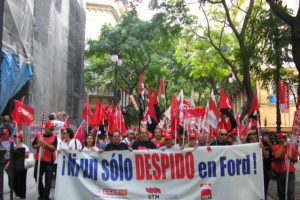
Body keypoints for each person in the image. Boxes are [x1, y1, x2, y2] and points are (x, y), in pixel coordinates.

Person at [32, 121, 57, 200]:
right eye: (50, 128)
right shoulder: (39, 135)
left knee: (48, 181)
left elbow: (54, 148)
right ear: (46, 127)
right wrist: (38, 145)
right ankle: (42, 193)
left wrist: (45, 144)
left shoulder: (54, 137)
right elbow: (33, 145)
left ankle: (45, 197)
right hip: (39, 160)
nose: (51, 130)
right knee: (37, 177)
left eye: (52, 129)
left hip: (49, 161)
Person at [271, 133, 298, 200]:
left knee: (290, 191)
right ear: (279, 139)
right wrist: (283, 146)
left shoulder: (291, 147)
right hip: (281, 173)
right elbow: (276, 156)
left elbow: (296, 159)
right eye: (282, 137)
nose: (285, 139)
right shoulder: (276, 147)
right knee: (281, 191)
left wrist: (292, 158)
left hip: (290, 173)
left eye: (285, 137)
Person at [13, 133, 29, 199]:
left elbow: (27, 155)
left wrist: (20, 152)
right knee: (15, 180)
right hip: (15, 166)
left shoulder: (24, 146)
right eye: (15, 138)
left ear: (20, 139)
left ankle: (22, 195)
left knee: (22, 180)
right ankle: (17, 193)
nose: (15, 139)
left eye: (17, 138)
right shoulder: (14, 146)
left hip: (22, 166)